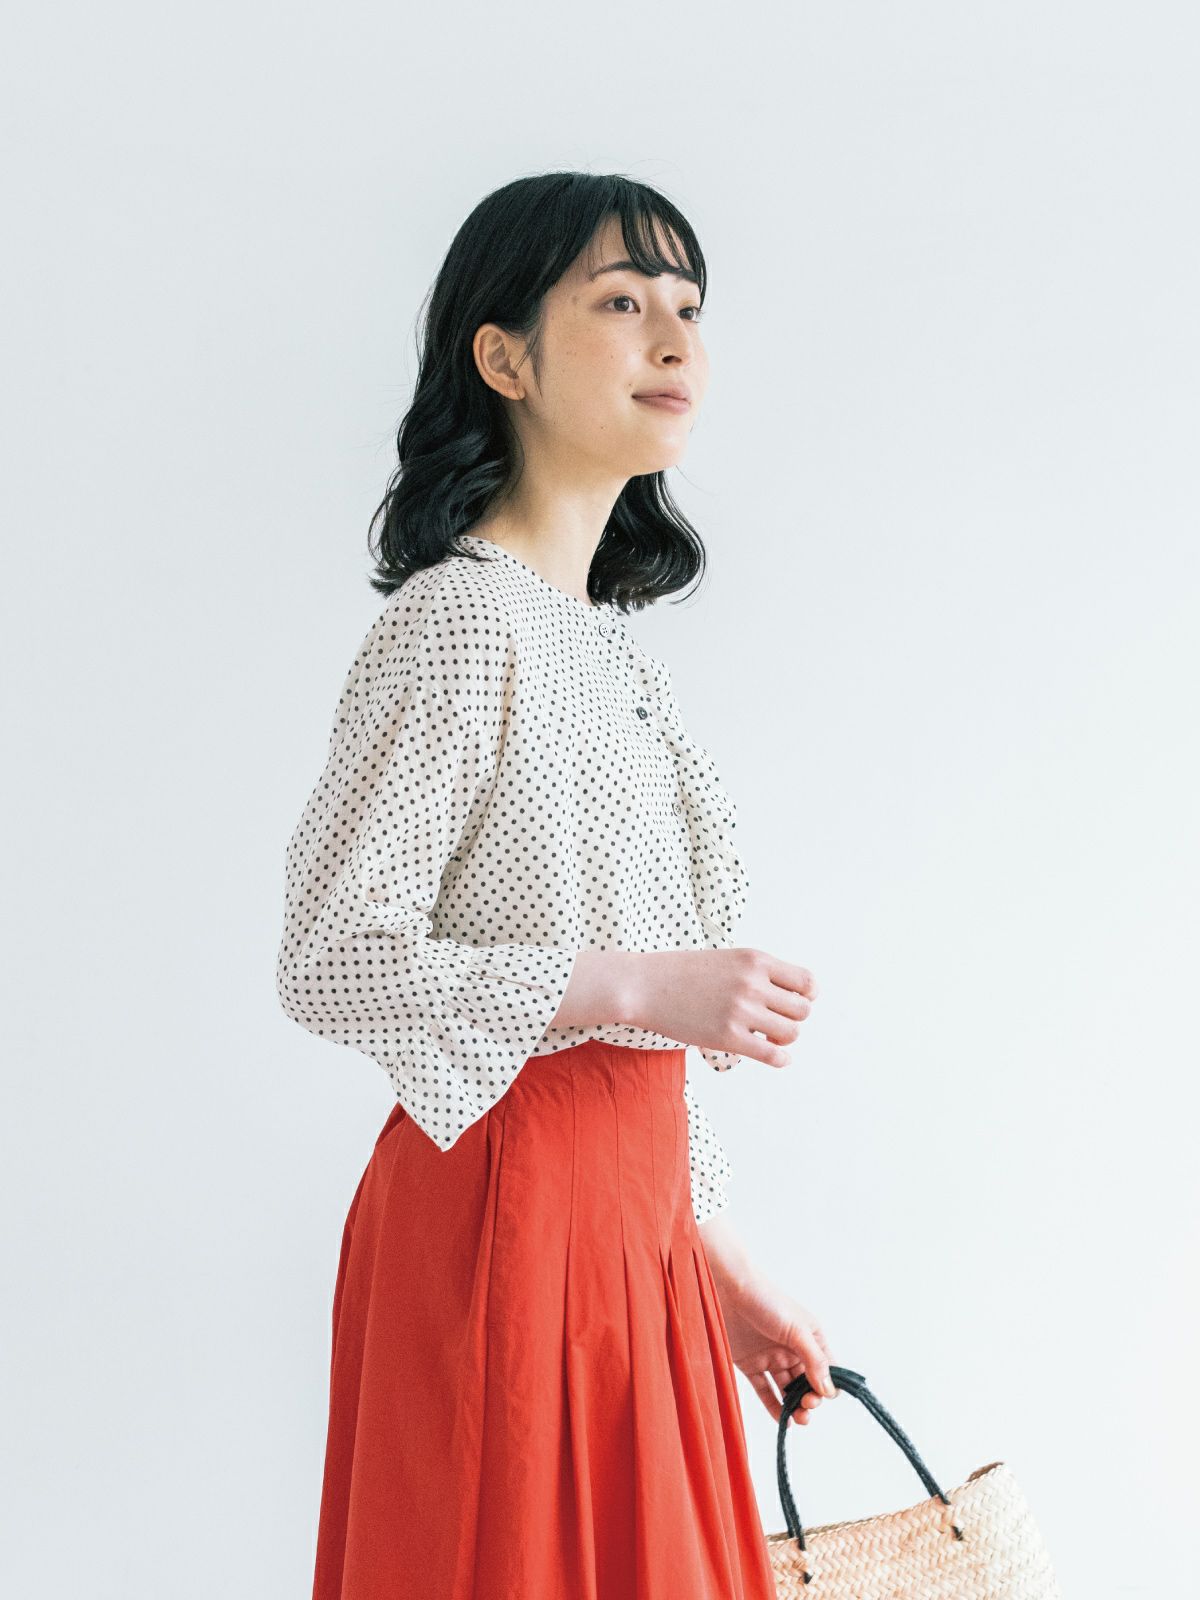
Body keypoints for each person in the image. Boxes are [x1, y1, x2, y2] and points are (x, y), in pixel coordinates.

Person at [276, 170, 835, 1600]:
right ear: (506, 358)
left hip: (633, 1227)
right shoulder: (462, 624)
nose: (676, 340)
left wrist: (714, 1258)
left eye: (689, 307)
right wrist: (641, 987)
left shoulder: (601, 645)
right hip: (509, 1213)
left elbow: (642, 1032)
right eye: (621, 302)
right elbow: (330, 955)